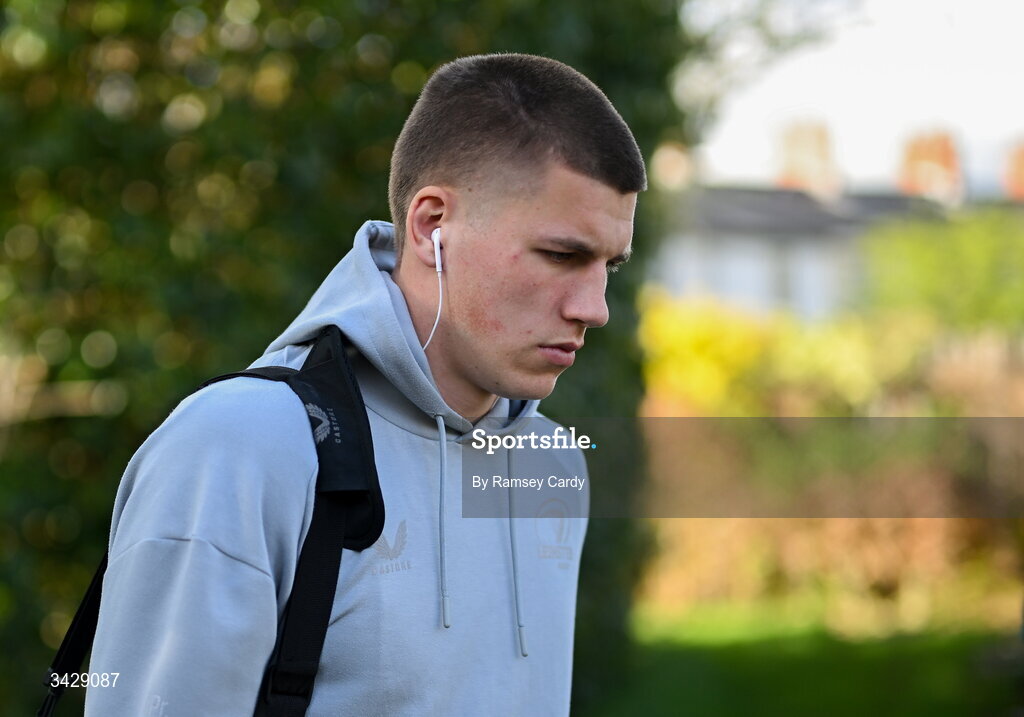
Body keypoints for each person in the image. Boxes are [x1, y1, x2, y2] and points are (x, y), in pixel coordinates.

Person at [85, 52, 645, 716]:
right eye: (562, 254)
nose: (596, 307)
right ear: (432, 224)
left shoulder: (551, 461)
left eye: (609, 264)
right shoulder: (235, 450)